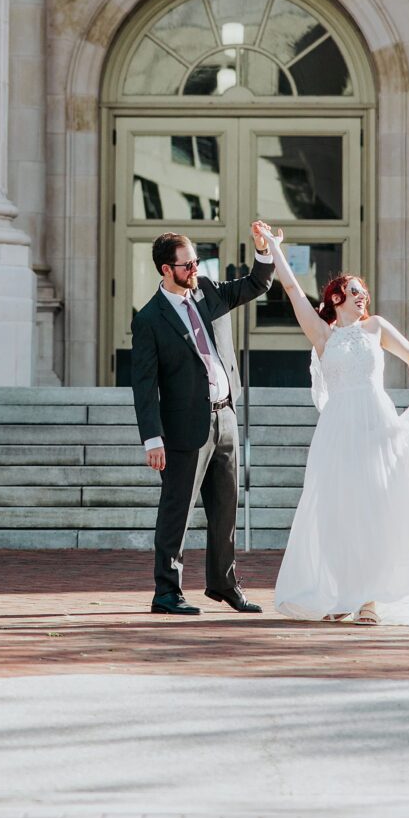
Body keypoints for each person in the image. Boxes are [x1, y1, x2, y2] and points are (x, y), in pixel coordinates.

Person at [257, 223, 409, 626]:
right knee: (338, 512)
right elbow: (290, 289)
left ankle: (370, 601)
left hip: (377, 423)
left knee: (376, 508)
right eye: (356, 292)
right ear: (338, 296)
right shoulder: (323, 334)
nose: (363, 299)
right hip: (338, 428)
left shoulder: (375, 328)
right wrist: (272, 248)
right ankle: (342, 595)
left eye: (365, 294)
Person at [131, 224, 275, 616]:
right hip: (183, 429)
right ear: (166, 269)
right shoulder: (149, 319)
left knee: (225, 507)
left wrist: (264, 251)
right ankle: (167, 592)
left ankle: (224, 585)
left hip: (224, 416)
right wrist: (152, 438)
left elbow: (256, 285)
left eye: (196, 260)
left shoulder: (208, 292)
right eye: (187, 264)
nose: (195, 267)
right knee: (177, 510)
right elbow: (144, 386)